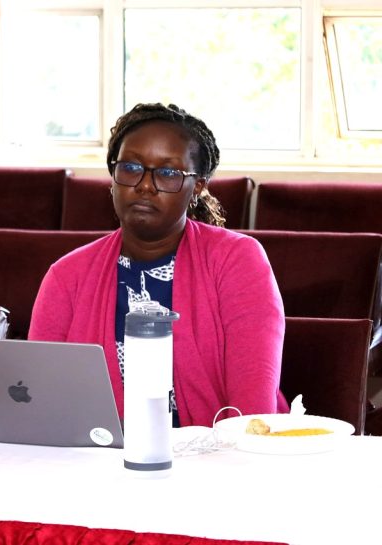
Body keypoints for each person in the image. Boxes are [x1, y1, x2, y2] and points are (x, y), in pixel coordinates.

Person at [28, 103, 287, 427]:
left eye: (167, 173)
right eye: (130, 168)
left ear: (199, 186)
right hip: (98, 461)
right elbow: (39, 401)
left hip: (222, 458)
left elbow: (253, 411)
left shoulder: (237, 261)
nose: (145, 185)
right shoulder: (67, 276)